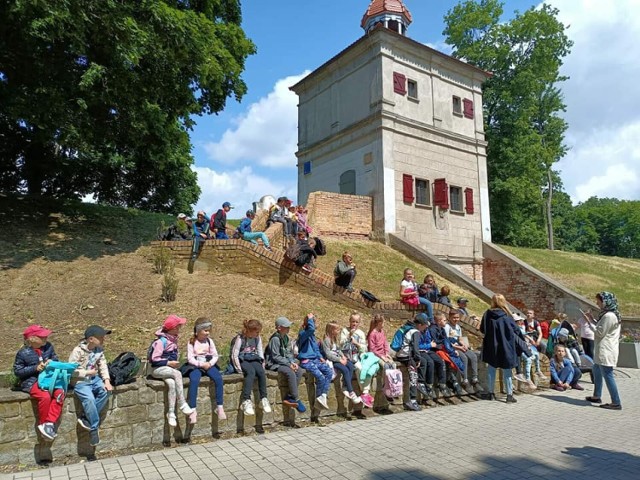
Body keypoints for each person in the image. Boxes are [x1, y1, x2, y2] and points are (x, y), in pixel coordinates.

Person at [13, 325, 63, 441]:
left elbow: (55, 359)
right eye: (42, 336)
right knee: (45, 396)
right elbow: (18, 371)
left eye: (46, 335)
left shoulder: (49, 347)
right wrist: (35, 368)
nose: (46, 338)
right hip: (31, 381)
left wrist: (52, 362)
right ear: (32, 339)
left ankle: (50, 422)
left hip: (48, 379)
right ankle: (43, 424)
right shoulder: (23, 353)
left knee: (60, 392)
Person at [69, 325, 114, 446]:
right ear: (91, 339)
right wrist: (87, 372)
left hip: (94, 379)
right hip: (80, 380)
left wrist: (107, 381)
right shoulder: (77, 351)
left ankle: (86, 417)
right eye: (101, 337)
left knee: (106, 391)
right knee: (88, 399)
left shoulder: (99, 350)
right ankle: (94, 429)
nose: (103, 339)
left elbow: (103, 365)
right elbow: (70, 370)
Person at [149, 315, 194, 426]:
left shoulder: (172, 340)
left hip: (167, 370)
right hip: (157, 370)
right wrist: (169, 363)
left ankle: (171, 413)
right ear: (172, 329)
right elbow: (154, 359)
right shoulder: (161, 342)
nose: (179, 329)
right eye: (178, 327)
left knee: (172, 384)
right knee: (177, 374)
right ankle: (183, 403)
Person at [479, 294, 522, 403]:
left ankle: (491, 393)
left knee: (491, 369)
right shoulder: (507, 315)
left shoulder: (487, 314)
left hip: (491, 345)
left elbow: (482, 329)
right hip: (506, 345)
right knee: (507, 370)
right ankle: (509, 395)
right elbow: (516, 330)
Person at [183, 317, 226, 424]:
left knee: (218, 378)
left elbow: (215, 355)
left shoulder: (210, 341)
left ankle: (219, 406)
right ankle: (193, 409)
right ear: (198, 331)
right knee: (194, 379)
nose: (207, 333)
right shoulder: (191, 342)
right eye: (205, 330)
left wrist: (210, 364)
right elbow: (190, 358)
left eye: (208, 331)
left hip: (208, 363)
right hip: (196, 365)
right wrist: (200, 364)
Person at [585, 291, 622, 410]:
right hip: (603, 349)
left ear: (605, 302)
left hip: (606, 350)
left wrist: (590, 323)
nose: (597, 303)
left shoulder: (609, 316)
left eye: (599, 301)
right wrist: (592, 319)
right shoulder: (607, 314)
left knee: (607, 374)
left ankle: (616, 402)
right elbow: (602, 327)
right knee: (596, 369)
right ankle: (597, 395)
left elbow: (600, 332)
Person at [265, 316, 306, 413]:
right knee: (290, 372)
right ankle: (296, 399)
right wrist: (288, 364)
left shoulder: (286, 338)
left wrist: (292, 362)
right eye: (286, 326)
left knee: (299, 370)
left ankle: (290, 396)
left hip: (285, 362)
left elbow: (288, 353)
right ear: (279, 328)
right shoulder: (275, 339)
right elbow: (275, 356)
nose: (288, 328)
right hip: (274, 364)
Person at [230, 319, 271, 416]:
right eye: (256, 332)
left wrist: (262, 364)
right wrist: (239, 369)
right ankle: (246, 400)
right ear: (250, 330)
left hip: (253, 358)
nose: (258, 334)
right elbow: (234, 354)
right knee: (251, 372)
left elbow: (260, 351)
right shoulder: (240, 339)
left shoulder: (257, 338)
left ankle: (263, 398)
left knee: (261, 372)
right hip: (243, 359)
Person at [297, 313, 334, 410]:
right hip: (306, 361)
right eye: (315, 322)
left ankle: (323, 396)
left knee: (329, 372)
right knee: (320, 377)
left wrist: (320, 357)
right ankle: (318, 399)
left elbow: (316, 349)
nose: (317, 324)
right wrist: (310, 319)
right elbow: (311, 329)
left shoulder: (312, 336)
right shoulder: (303, 334)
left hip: (315, 359)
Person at [322, 323, 362, 405]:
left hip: (339, 358)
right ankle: (351, 392)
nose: (339, 331)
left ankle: (345, 385)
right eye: (337, 330)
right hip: (333, 361)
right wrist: (339, 360)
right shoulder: (326, 340)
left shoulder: (334, 339)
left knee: (351, 366)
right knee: (345, 370)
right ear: (332, 331)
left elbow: (338, 350)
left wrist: (343, 356)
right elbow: (328, 354)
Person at [394, 314, 427, 411]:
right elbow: (416, 348)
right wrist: (417, 360)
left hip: (400, 355)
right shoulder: (415, 332)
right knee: (413, 377)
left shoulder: (407, 328)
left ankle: (421, 383)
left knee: (424, 362)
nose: (426, 328)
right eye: (425, 325)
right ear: (420, 325)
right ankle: (412, 401)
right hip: (407, 357)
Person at [364, 314, 395, 407]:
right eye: (382, 323)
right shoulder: (372, 334)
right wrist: (382, 357)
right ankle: (385, 387)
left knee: (393, 365)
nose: (383, 325)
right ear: (378, 323)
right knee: (385, 366)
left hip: (383, 355)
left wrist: (387, 354)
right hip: (376, 356)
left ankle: (391, 387)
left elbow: (385, 343)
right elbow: (372, 349)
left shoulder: (382, 332)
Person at [429, 312, 464, 396]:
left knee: (454, 360)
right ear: (439, 321)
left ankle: (454, 381)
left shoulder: (442, 329)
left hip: (443, 349)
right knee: (445, 361)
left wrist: (453, 348)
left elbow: (447, 340)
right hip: (435, 350)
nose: (446, 321)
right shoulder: (432, 329)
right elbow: (435, 342)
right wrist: (446, 345)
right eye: (444, 320)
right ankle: (446, 383)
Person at [445, 310, 479, 391]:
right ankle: (465, 379)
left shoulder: (458, 327)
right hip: (453, 347)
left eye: (457, 317)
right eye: (454, 318)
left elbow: (459, 338)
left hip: (459, 345)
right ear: (449, 318)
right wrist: (459, 348)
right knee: (464, 358)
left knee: (473, 356)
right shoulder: (447, 327)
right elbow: (447, 342)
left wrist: (464, 344)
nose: (456, 319)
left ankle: (475, 378)